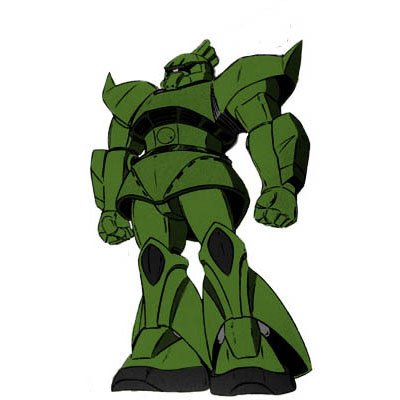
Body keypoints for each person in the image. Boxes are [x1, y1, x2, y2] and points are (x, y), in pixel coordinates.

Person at [90, 39, 311, 395]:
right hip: (144, 183)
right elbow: (116, 153)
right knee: (153, 261)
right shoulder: (139, 101)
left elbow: (267, 125)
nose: (177, 74)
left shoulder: (219, 89)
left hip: (202, 171)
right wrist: (109, 208)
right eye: (172, 70)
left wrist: (280, 185)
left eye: (187, 68)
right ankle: (160, 342)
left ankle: (244, 340)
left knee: (222, 249)